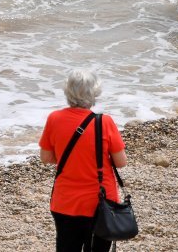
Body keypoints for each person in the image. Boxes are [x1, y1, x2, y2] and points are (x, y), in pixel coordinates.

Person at [39, 70, 128, 252]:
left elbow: (45, 157)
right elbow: (121, 162)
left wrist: (71, 158)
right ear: (94, 93)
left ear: (68, 91)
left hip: (65, 201)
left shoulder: (54, 118)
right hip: (102, 202)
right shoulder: (104, 122)